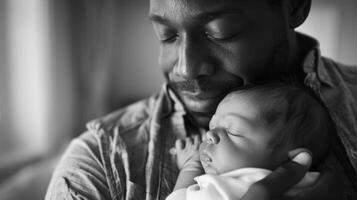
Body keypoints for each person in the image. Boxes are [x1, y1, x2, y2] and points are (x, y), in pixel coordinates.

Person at [46, 0, 357, 199]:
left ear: (294, 6)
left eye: (220, 32)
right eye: (166, 36)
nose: (185, 69)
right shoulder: (100, 159)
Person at [166, 84, 333, 200]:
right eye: (212, 125)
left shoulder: (225, 188)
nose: (209, 134)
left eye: (233, 132)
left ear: (291, 160)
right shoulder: (319, 185)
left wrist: (190, 166)